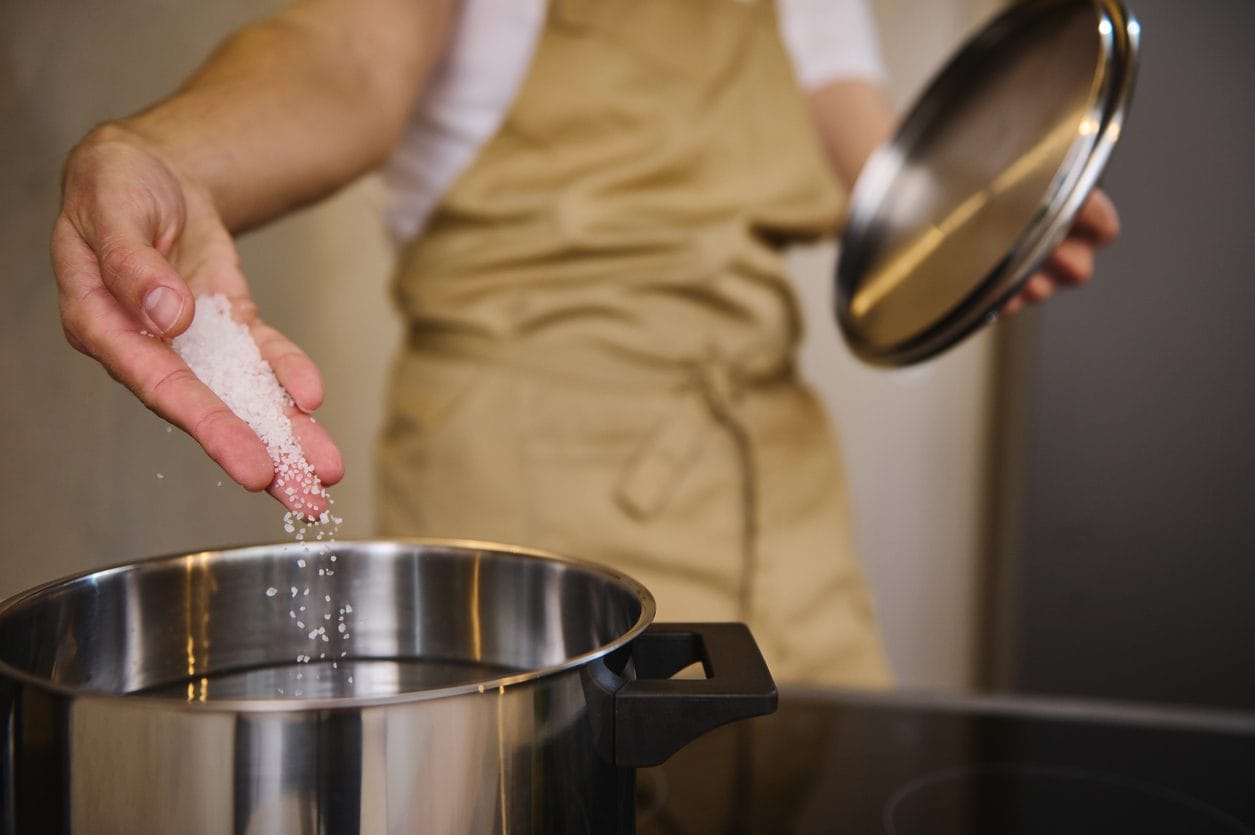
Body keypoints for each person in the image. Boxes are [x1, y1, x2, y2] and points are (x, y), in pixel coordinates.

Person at [50, 0, 1120, 687]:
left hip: (782, 486)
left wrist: (988, 216)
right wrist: (165, 150)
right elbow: (345, 59)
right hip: (538, 485)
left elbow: (877, 159)